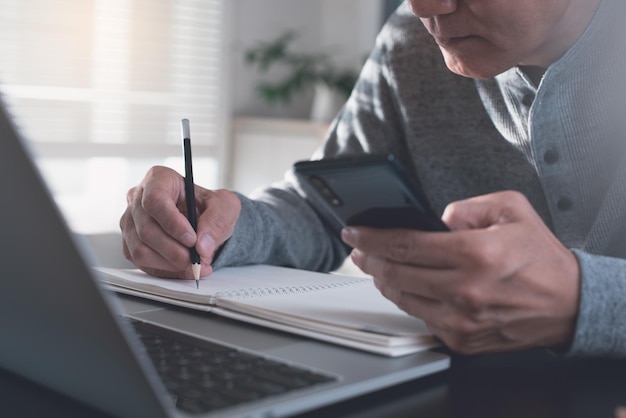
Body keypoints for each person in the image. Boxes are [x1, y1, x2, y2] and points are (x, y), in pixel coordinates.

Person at [120, 0, 626, 357]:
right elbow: (321, 209)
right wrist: (220, 225)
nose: (427, 7)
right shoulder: (409, 44)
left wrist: (583, 300)